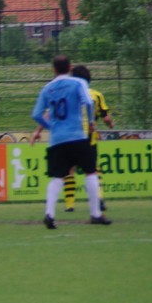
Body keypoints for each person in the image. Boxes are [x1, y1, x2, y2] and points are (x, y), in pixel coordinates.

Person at [31, 55, 111, 229]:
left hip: (57, 140)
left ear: (53, 69)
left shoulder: (47, 88)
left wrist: (51, 127)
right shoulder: (78, 83)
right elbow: (88, 102)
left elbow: (36, 114)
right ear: (70, 67)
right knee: (90, 172)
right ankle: (96, 214)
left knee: (57, 177)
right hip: (77, 136)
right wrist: (91, 122)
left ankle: (49, 214)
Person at [62, 64, 115, 212]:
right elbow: (106, 117)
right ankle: (99, 198)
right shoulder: (96, 95)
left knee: (70, 169)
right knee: (93, 169)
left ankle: (69, 205)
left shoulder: (68, 95)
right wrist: (111, 123)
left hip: (70, 136)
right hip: (89, 138)